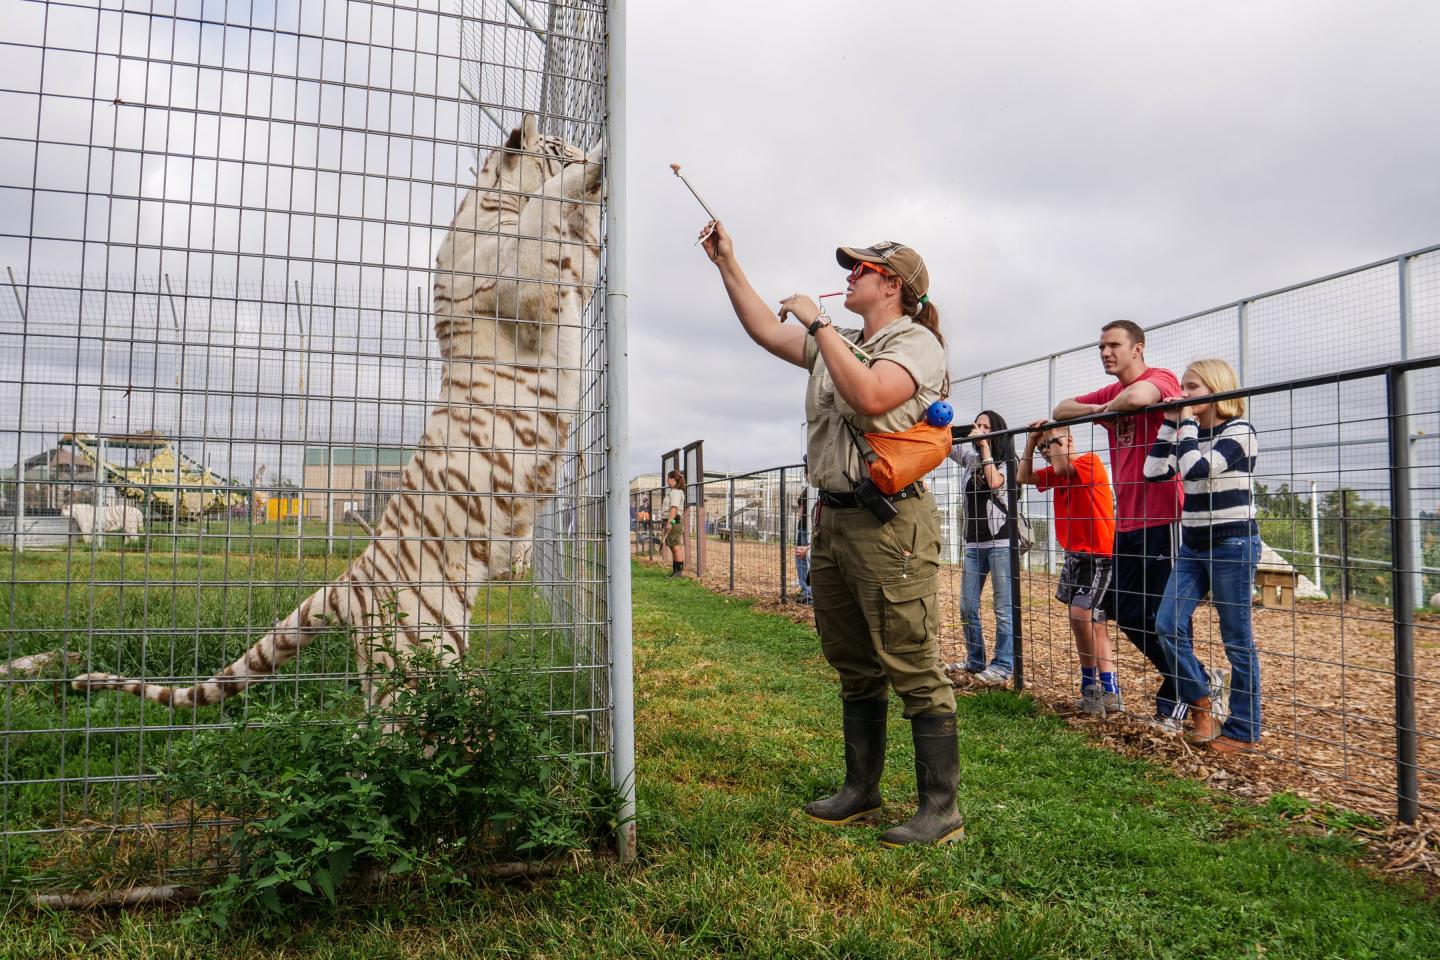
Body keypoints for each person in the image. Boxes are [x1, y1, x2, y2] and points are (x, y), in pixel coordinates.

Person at [699, 221, 962, 847]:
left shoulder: (915, 343)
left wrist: (817, 322)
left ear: (892, 285)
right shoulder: (838, 342)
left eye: (861, 269)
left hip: (890, 524)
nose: (850, 276)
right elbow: (766, 330)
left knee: (910, 660)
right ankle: (861, 790)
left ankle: (940, 810)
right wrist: (727, 263)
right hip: (835, 518)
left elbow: (870, 395)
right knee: (853, 662)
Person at [1053, 320, 1188, 734]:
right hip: (1126, 520)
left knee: (1167, 616)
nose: (1105, 353)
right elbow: (1061, 410)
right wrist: (1102, 410)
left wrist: (1111, 406)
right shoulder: (1111, 394)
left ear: (1137, 348)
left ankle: (1180, 698)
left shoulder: (1160, 377)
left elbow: (1141, 397)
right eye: (1101, 347)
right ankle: (1196, 680)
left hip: (1164, 516)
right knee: (1127, 614)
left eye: (1113, 345)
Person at [1144, 359, 1260, 751]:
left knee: (1237, 639)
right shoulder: (1188, 435)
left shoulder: (1239, 432)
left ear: (1216, 389)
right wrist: (1170, 423)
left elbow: (1197, 470)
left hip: (1232, 544)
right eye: (1182, 387)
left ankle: (1244, 731)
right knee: (1166, 624)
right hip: (1193, 545)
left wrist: (1187, 423)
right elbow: (1153, 471)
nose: (1182, 394)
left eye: (1191, 387)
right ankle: (1201, 703)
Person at [1018, 422, 1121, 715]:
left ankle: (1090, 687)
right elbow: (1022, 476)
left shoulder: (1089, 462)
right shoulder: (1057, 471)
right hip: (1075, 556)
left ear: (1069, 441)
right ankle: (1109, 692)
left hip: (1098, 557)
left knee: (1081, 616)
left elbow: (1064, 467)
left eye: (1050, 445)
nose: (1046, 451)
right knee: (1094, 624)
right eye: (1043, 448)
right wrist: (1031, 442)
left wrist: (1053, 434)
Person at [947, 410, 1019, 685]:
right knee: (967, 606)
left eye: (986, 427)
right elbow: (947, 446)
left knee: (1003, 609)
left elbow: (994, 483)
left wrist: (985, 446)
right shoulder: (970, 459)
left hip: (1001, 543)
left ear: (997, 431)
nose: (980, 430)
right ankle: (975, 660)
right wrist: (945, 425)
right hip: (973, 544)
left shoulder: (1009, 462)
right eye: (978, 425)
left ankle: (1003, 666)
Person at [663, 470, 686, 577]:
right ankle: (675, 571)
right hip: (673, 520)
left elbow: (674, 508)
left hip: (674, 521)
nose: (667, 480)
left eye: (668, 478)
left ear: (673, 479)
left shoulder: (676, 492)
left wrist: (669, 522)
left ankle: (678, 572)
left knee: (675, 546)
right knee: (673, 545)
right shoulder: (673, 491)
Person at [794, 492, 813, 605]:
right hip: (804, 526)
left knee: (810, 557)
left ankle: (810, 593)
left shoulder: (815, 488)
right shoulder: (808, 488)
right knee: (800, 556)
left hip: (810, 528)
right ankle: (807, 592)